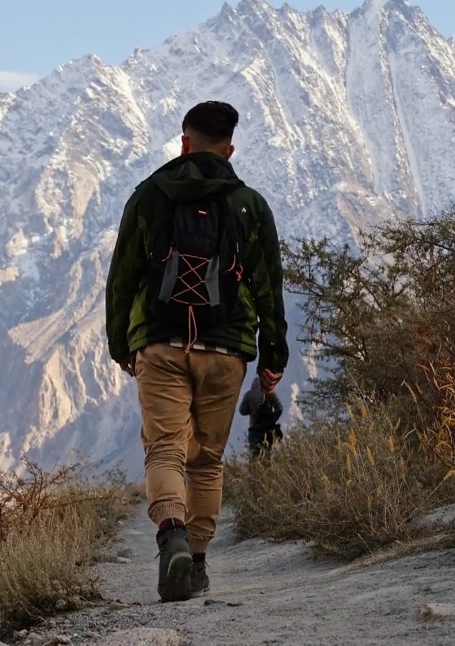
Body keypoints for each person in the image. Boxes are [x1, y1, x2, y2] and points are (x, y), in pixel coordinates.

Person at [105, 100, 288, 603]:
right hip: (226, 350)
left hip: (160, 343)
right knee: (207, 460)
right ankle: (199, 563)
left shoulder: (149, 196)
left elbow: (122, 277)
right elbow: (269, 287)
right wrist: (273, 357)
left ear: (184, 143)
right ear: (230, 149)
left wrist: (121, 342)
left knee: (165, 449)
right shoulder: (249, 204)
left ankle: (172, 538)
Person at [239, 376, 284, 457]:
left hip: (254, 429)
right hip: (268, 430)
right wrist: (272, 420)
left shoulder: (249, 395)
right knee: (267, 454)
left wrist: (251, 409)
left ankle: (254, 468)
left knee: (254, 454)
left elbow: (242, 410)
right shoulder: (270, 393)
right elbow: (280, 409)